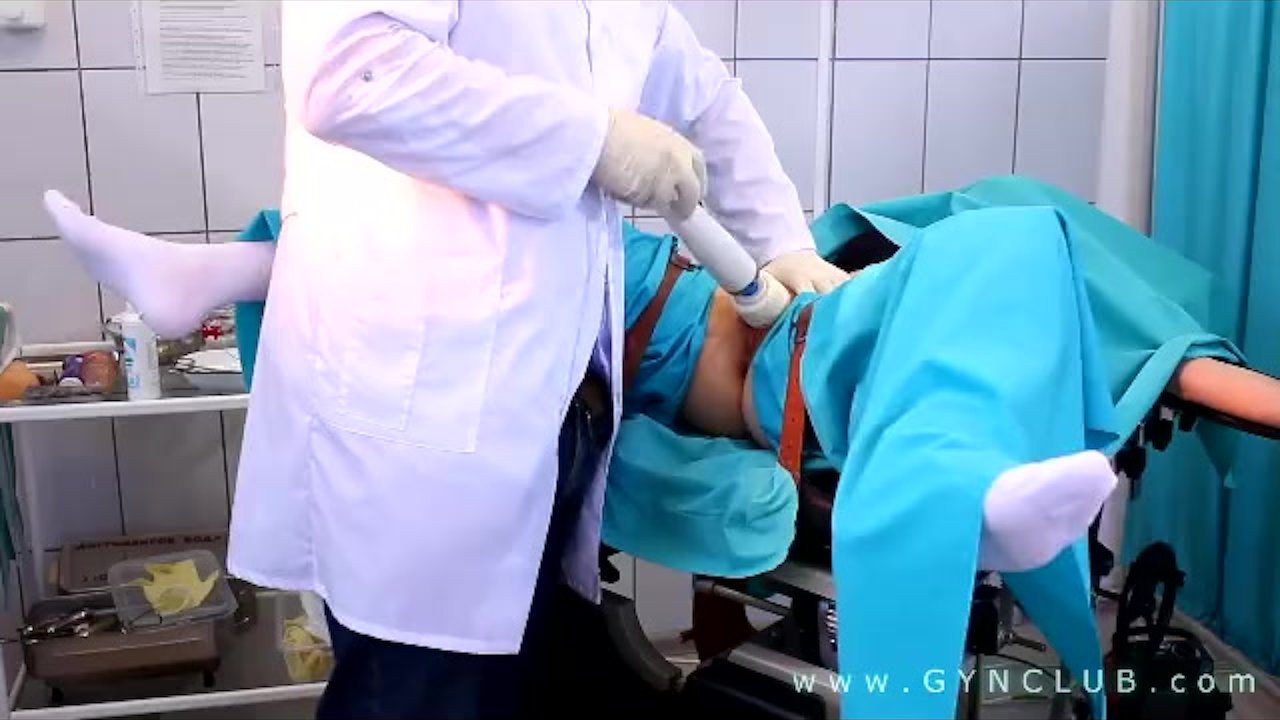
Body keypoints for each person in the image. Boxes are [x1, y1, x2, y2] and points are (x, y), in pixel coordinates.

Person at [42, 174, 1280, 719]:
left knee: (1001, 249)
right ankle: (207, 270)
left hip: (767, 353)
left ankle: (969, 484)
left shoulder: (1033, 269)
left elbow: (1169, 353)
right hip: (686, 309)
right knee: (430, 234)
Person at [50, 4, 849, 718]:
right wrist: (590, 140)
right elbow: (348, 73)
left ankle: (207, 274)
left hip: (555, 411)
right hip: (423, 418)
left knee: (510, 679)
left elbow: (705, 98)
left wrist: (782, 240)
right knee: (419, 690)